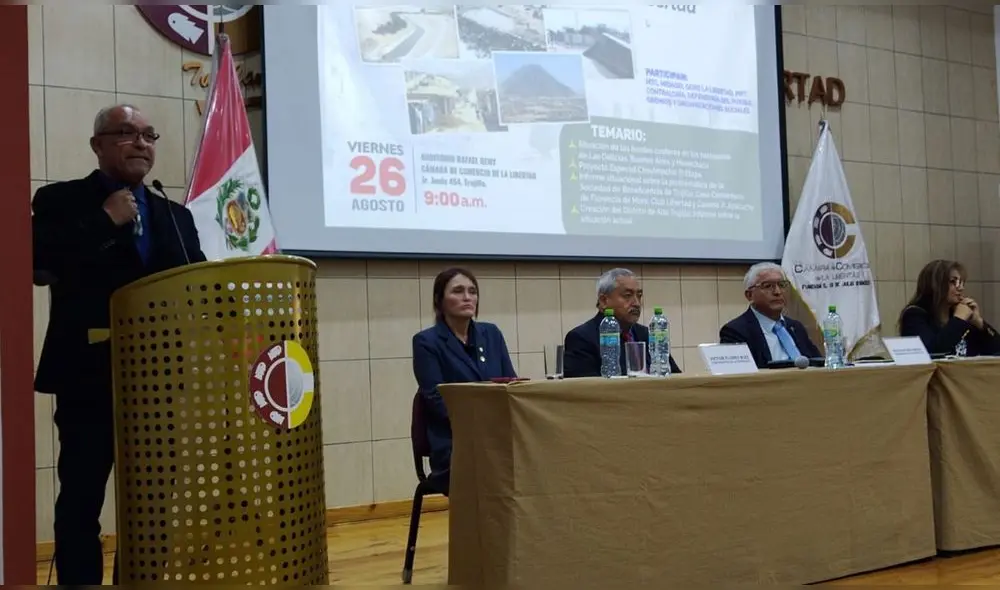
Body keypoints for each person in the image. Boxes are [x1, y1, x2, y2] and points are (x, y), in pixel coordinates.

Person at [32, 104, 207, 584]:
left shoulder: (174, 214)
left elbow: (197, 283)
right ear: (98, 145)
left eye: (149, 135)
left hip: (158, 382)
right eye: (126, 133)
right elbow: (40, 266)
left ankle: (140, 582)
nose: (141, 143)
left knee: (154, 504)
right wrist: (104, 221)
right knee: (81, 498)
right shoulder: (60, 200)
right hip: (89, 377)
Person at [411, 267, 516, 495]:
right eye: (458, 291)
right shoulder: (426, 342)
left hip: (497, 437)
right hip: (454, 443)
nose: (467, 297)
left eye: (472, 291)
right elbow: (436, 400)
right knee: (499, 469)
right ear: (439, 300)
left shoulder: (492, 334)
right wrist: (482, 423)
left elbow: (511, 385)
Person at [563, 268, 680, 377]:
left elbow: (675, 378)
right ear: (604, 301)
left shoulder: (646, 334)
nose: (636, 303)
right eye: (627, 296)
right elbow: (585, 388)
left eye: (639, 296)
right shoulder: (582, 338)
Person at [719, 262, 821, 368]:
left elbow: (818, 364)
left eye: (782, 285)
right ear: (749, 295)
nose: (777, 292)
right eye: (767, 286)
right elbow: (738, 374)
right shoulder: (735, 332)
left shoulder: (796, 327)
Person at [898, 259, 1000, 357]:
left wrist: (980, 323)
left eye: (961, 283)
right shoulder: (915, 315)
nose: (961, 288)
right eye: (953, 282)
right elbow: (933, 352)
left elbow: (996, 350)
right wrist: (958, 319)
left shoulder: (963, 318)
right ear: (935, 285)